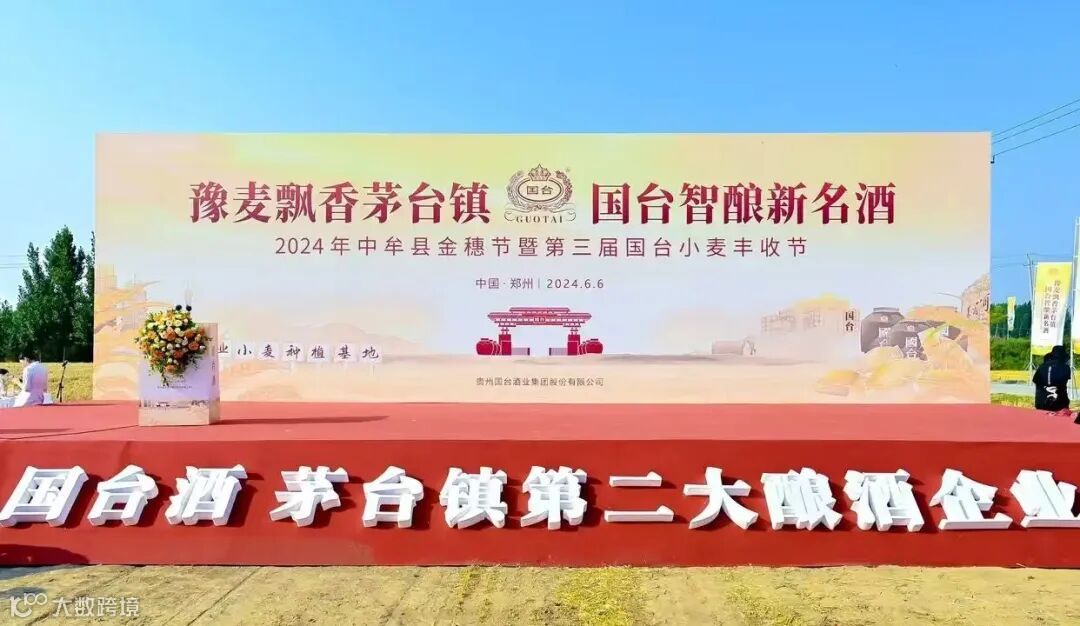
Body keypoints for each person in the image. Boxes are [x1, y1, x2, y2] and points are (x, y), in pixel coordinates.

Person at [1032, 345, 1071, 413]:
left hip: (1041, 403)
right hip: (1059, 404)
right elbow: (1064, 382)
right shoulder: (1065, 367)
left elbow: (1036, 381)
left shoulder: (1042, 367)